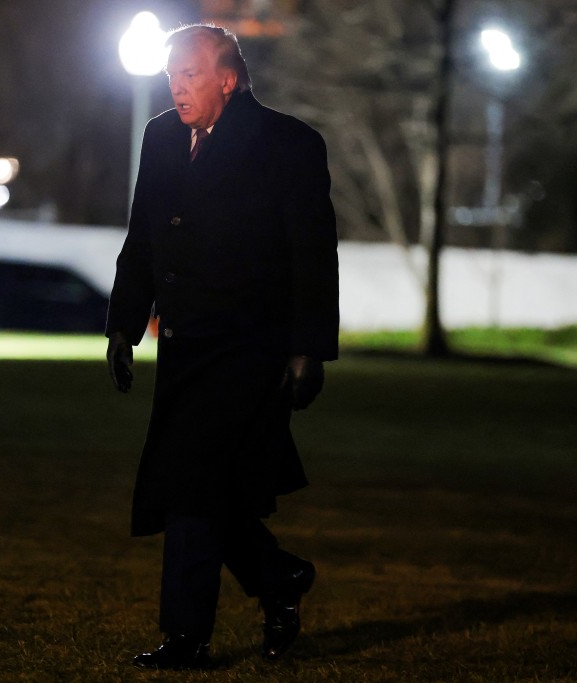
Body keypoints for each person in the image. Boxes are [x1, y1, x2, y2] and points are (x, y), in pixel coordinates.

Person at [105, 23, 339, 670]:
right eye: (171, 74)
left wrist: (308, 348)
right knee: (210, 489)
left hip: (249, 349)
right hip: (184, 348)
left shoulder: (287, 144)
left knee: (191, 487)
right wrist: (123, 325)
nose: (177, 86)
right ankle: (280, 579)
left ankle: (187, 636)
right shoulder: (159, 136)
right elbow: (144, 241)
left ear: (228, 78)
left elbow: (312, 255)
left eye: (191, 74)